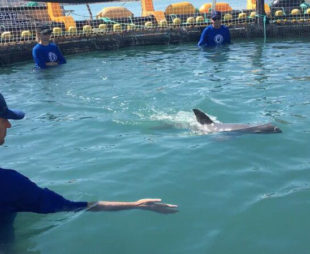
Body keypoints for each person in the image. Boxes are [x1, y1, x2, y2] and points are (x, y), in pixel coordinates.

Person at [0, 93, 178, 244]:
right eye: (4, 119)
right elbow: (71, 206)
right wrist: (136, 205)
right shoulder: (10, 184)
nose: (9, 124)